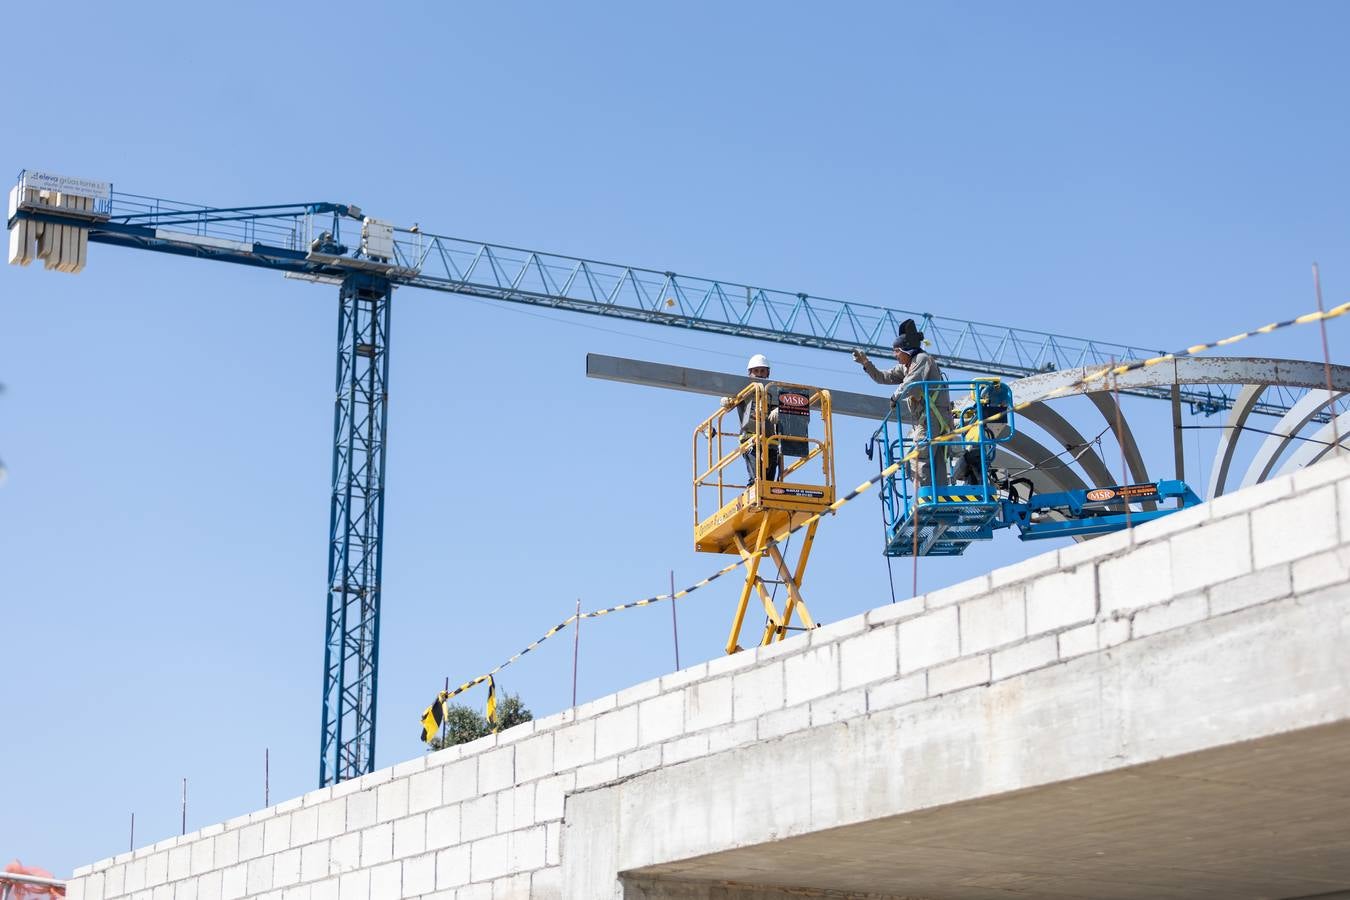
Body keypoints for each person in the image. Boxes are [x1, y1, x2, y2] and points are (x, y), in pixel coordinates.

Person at [852, 319, 952, 487]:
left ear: (906, 349)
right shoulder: (907, 366)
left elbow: (911, 384)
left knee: (919, 458)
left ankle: (925, 499)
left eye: (896, 351)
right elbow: (883, 377)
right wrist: (866, 363)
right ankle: (938, 498)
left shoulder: (922, 359)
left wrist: (895, 398)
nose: (895, 355)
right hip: (931, 417)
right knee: (934, 460)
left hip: (933, 418)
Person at [721, 353, 780, 485]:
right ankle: (753, 489)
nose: (759, 374)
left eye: (762, 371)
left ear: (767, 373)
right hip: (750, 441)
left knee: (770, 483)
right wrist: (727, 400)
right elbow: (731, 401)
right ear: (750, 373)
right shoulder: (744, 390)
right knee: (757, 479)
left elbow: (787, 404)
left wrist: (779, 410)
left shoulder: (773, 390)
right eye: (756, 371)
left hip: (770, 441)